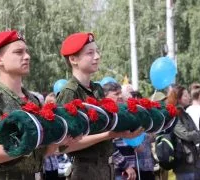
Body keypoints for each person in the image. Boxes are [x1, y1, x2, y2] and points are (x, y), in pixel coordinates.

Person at [0, 30, 73, 180]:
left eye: (26, 51)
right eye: (19, 52)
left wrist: (58, 139)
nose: (27, 56)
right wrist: (31, 140)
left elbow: (42, 153)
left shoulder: (33, 100)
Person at [56, 32, 143, 180]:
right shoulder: (69, 93)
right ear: (73, 59)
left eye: (97, 51)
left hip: (106, 168)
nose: (97, 56)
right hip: (85, 171)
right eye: (90, 53)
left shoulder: (97, 89)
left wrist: (125, 130)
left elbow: (107, 126)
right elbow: (63, 145)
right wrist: (109, 135)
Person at [166, 85, 200, 180]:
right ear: (178, 98)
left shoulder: (185, 113)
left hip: (192, 160)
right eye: (185, 95)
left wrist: (196, 134)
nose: (189, 97)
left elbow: (197, 134)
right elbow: (185, 135)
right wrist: (196, 134)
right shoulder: (175, 115)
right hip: (183, 161)